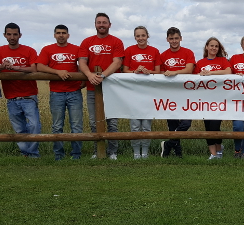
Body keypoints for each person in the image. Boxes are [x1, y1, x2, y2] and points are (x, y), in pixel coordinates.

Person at [0, 23, 41, 158]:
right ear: (5, 35)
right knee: (19, 129)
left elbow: (34, 69)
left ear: (20, 35)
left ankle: (33, 154)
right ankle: (25, 153)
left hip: (29, 96)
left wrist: (16, 68)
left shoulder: (29, 50)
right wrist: (2, 66)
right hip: (11, 97)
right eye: (9, 34)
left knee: (34, 126)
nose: (12, 37)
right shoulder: (0, 50)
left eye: (15, 34)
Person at [78, 13, 124, 160]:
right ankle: (96, 151)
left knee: (112, 123)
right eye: (99, 22)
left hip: (112, 89)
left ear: (110, 25)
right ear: (95, 24)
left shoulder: (116, 42)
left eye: (104, 22)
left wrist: (102, 75)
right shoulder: (87, 42)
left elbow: (117, 62)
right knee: (94, 122)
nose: (102, 25)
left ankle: (112, 152)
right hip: (92, 88)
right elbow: (82, 62)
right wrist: (90, 75)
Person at [36, 25, 84, 160]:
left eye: (64, 33)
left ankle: (76, 155)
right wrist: (57, 72)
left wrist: (83, 78)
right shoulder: (47, 49)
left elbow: (82, 64)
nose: (61, 35)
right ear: (54, 35)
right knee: (57, 126)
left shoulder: (76, 49)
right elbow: (39, 66)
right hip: (56, 93)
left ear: (68, 35)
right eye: (58, 33)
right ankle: (59, 155)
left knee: (76, 126)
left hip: (74, 92)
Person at [123, 26, 162, 159]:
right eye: (138, 36)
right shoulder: (129, 50)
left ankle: (145, 152)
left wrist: (148, 71)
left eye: (143, 35)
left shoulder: (155, 51)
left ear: (147, 36)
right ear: (135, 37)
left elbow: (158, 71)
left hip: (148, 92)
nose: (141, 38)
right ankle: (135, 152)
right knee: (135, 124)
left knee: (146, 124)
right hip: (133, 92)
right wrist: (135, 71)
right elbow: (125, 70)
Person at [159, 27, 195, 158]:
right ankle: (177, 152)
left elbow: (189, 69)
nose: (174, 41)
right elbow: (160, 73)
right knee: (172, 125)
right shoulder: (163, 55)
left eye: (176, 38)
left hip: (186, 93)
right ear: (167, 39)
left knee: (186, 123)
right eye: (171, 38)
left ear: (181, 38)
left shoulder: (188, 52)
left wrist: (175, 72)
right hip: (170, 93)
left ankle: (168, 144)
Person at [194, 37, 232, 160]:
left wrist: (211, 73)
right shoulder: (200, 63)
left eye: (216, 46)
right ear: (206, 47)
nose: (214, 48)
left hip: (219, 99)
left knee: (215, 126)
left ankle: (219, 149)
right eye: (211, 46)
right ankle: (213, 154)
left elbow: (228, 71)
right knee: (208, 127)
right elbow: (193, 79)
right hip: (204, 99)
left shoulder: (222, 60)